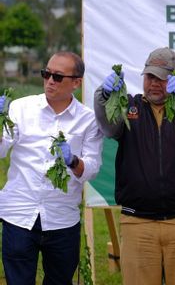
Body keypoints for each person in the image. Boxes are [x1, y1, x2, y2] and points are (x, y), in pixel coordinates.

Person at [93, 47, 175, 285]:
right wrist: (104, 97)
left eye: (162, 78)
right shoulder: (129, 107)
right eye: (150, 77)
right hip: (137, 223)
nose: (154, 84)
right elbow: (108, 127)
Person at [0, 52, 104, 284]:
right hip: (19, 213)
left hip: (62, 218)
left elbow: (93, 168)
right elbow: (1, 149)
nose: (49, 81)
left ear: (76, 83)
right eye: (46, 74)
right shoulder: (20, 108)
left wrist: (73, 161)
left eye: (57, 77)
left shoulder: (88, 120)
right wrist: (0, 123)